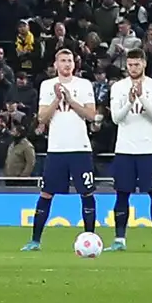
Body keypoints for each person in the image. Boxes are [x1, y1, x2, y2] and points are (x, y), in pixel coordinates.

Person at [26, 46, 98, 251]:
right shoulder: (47, 86)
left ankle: (90, 238)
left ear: (75, 64)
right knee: (47, 193)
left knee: (86, 193)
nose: (67, 64)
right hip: (56, 149)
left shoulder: (83, 85)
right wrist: (57, 99)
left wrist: (70, 99)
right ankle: (35, 240)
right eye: (63, 61)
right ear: (55, 65)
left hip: (80, 147)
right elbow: (41, 117)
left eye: (70, 61)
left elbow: (91, 115)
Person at [103, 50, 152, 251]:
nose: (133, 68)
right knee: (122, 194)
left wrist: (141, 96)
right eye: (130, 65)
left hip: (149, 148)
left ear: (144, 64)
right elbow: (116, 118)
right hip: (125, 149)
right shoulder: (118, 87)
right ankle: (119, 240)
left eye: (137, 64)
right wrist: (130, 100)